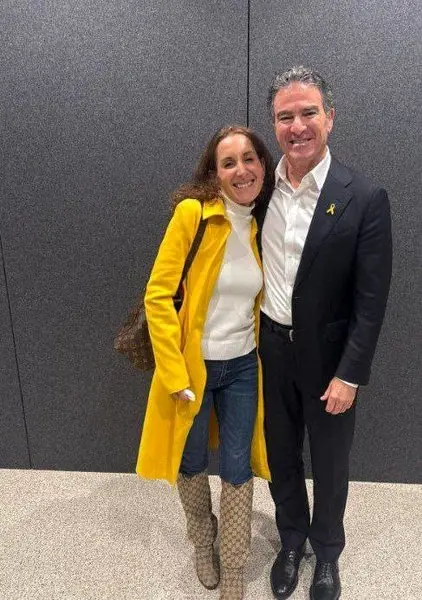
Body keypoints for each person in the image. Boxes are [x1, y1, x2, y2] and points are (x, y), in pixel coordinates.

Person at [254, 66, 392, 600]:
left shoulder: (364, 196)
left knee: (331, 464)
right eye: (284, 116)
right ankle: (292, 540)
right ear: (274, 125)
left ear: (330, 118)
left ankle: (327, 552)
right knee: (281, 454)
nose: (297, 126)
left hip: (330, 361)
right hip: (271, 349)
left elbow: (371, 300)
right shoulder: (258, 191)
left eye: (308, 112)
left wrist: (350, 375)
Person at [136, 125, 274, 600]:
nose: (241, 170)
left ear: (263, 166)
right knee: (191, 461)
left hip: (242, 368)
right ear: (214, 174)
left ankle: (233, 564)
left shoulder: (260, 225)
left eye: (249, 159)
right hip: (193, 370)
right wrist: (174, 374)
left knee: (238, 467)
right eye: (228, 162)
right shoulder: (193, 215)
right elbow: (157, 295)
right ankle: (202, 542)